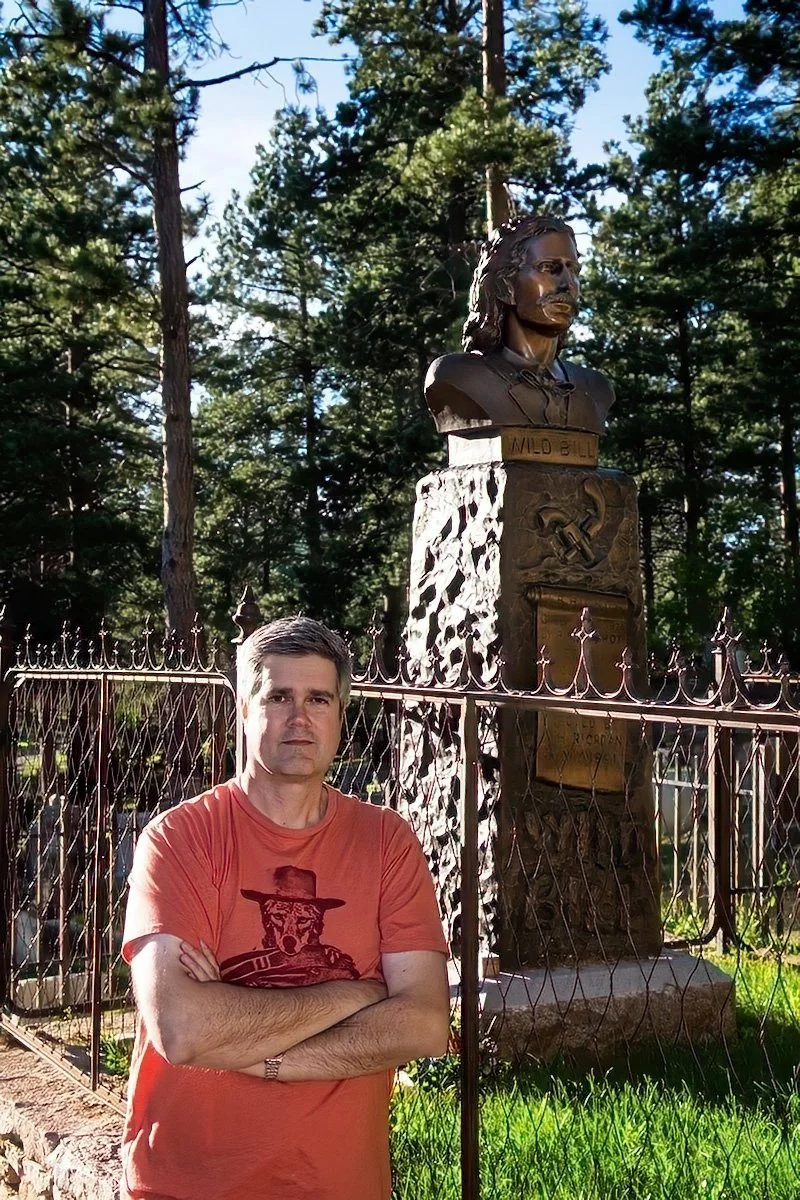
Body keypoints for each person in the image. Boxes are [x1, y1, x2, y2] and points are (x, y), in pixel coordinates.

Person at [121, 616, 450, 1200]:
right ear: (244, 710)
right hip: (189, 1182)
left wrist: (257, 1051)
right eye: (278, 697)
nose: (300, 718)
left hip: (340, 1183)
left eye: (318, 698)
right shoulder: (180, 840)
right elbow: (183, 1027)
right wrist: (357, 996)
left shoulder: (385, 843)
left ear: (340, 715)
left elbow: (424, 1025)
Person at [425, 213, 615, 436]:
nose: (568, 284)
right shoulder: (458, 377)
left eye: (573, 270)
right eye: (548, 267)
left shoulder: (594, 388)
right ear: (506, 285)